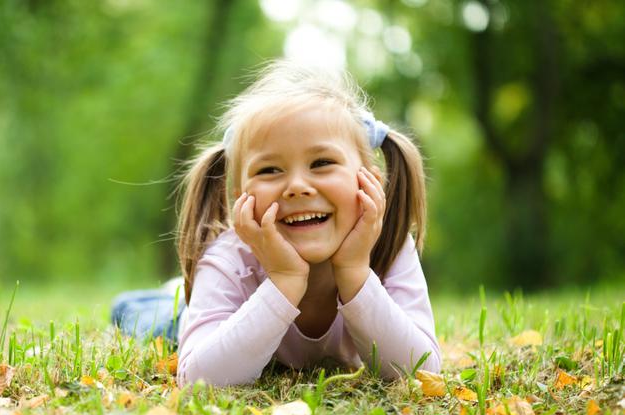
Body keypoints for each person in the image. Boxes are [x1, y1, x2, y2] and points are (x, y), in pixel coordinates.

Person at [112, 59, 441, 387]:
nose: (297, 186)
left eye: (322, 162)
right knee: (144, 315)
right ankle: (170, 299)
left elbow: (420, 369)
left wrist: (354, 271)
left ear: (368, 180)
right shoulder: (228, 258)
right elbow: (200, 379)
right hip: (201, 318)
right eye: (269, 170)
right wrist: (285, 281)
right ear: (241, 196)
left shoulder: (388, 245)